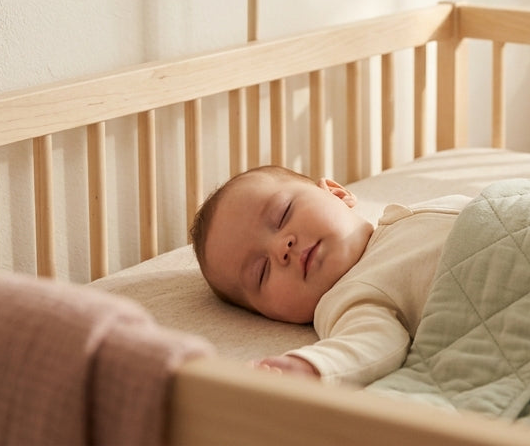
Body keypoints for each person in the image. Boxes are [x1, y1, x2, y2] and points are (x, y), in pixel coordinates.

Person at [190, 165, 469, 385]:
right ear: (269, 315)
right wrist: (305, 367)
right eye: (261, 271)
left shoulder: (405, 215)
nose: (280, 248)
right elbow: (371, 345)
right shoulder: (349, 300)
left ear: (336, 193)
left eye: (283, 214)